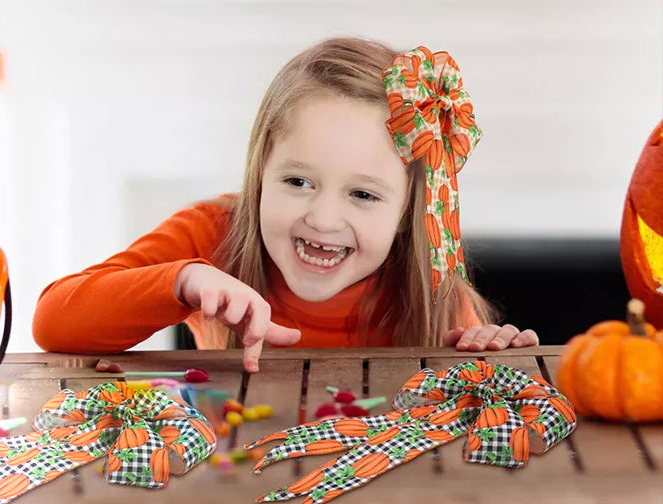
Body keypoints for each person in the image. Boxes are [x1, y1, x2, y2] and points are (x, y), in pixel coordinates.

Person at [33, 37, 538, 372]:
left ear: (407, 214)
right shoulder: (214, 234)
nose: (322, 218)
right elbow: (54, 321)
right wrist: (183, 282)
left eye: (362, 194)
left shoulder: (429, 288)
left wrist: (490, 360)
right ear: (260, 174)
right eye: (298, 181)